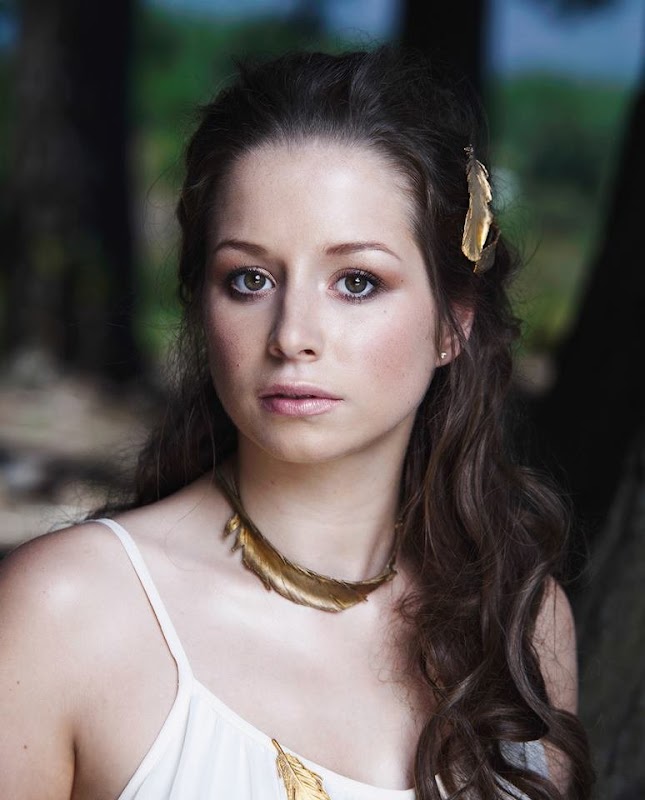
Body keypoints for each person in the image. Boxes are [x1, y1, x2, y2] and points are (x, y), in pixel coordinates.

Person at [0, 47, 592, 799]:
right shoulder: (69, 610)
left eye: (356, 282)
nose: (292, 335)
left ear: (454, 323)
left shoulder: (522, 623)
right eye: (249, 279)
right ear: (202, 304)